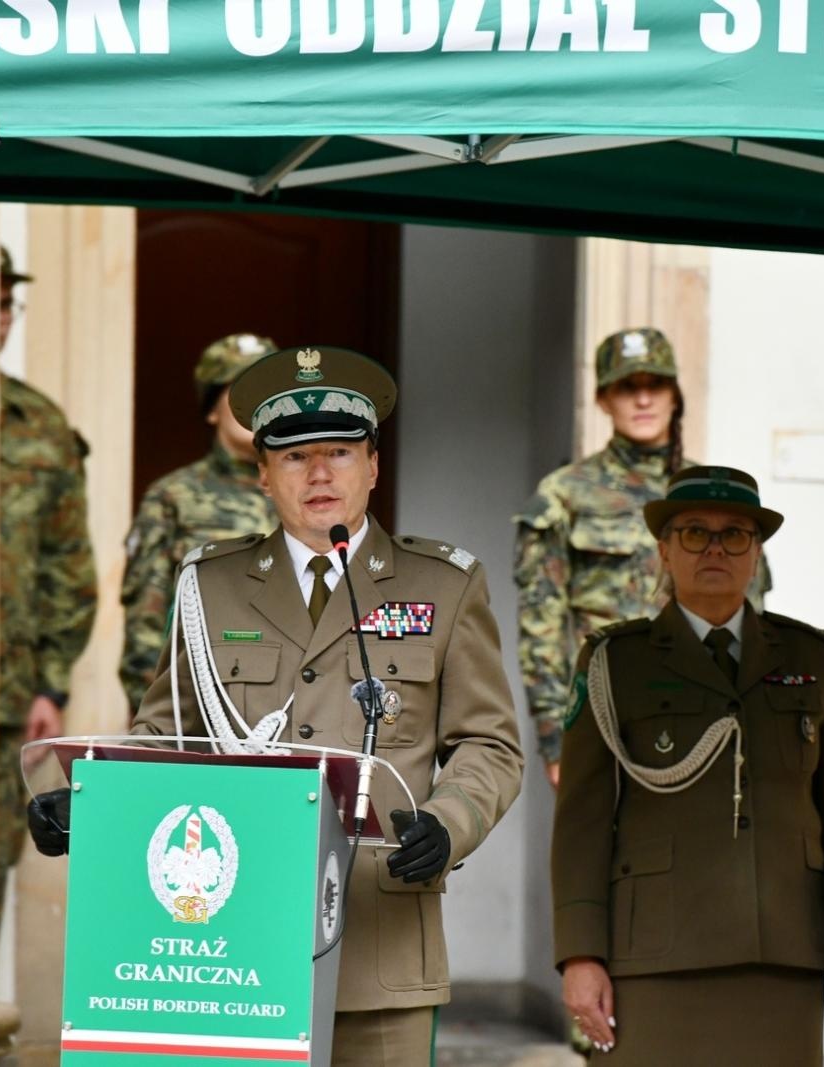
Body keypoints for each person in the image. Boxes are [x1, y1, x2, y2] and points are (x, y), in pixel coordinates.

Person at [32, 345, 524, 1067]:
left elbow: (490, 743)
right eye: (295, 457)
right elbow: (165, 738)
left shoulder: (445, 586)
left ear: (373, 465)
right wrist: (89, 802)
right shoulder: (210, 584)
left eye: (340, 452)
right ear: (262, 472)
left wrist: (450, 824)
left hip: (378, 941)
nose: (320, 473)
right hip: (230, 951)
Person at [551, 465, 824, 1065]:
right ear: (664, 550)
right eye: (693, 532)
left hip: (784, 945)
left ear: (756, 554)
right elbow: (581, 823)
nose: (715, 547)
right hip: (654, 953)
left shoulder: (808, 655)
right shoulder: (613, 663)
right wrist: (581, 956)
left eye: (735, 535)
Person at [515, 327, 770, 788]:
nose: (644, 400)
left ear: (676, 396)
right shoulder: (564, 495)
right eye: (627, 387)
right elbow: (541, 628)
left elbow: (752, 618)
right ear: (603, 400)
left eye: (656, 385)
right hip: (603, 712)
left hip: (704, 713)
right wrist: (556, 739)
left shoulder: (713, 497)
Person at [0, 245, 96, 917]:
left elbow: (69, 562)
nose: (0, 316)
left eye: (8, 302)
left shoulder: (41, 425)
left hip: (5, 695)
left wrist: (51, 680)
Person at [118, 331, 277, 712]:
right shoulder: (173, 496)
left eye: (266, 390)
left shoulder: (313, 490)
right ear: (211, 408)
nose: (255, 404)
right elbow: (146, 622)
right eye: (239, 390)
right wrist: (157, 722)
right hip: (201, 705)